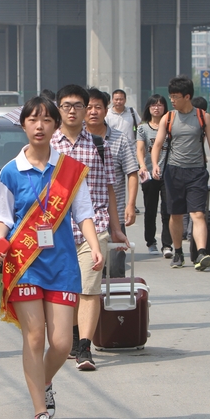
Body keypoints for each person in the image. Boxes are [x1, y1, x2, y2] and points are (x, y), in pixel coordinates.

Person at [0, 96, 102, 419]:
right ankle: (40, 413)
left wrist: (95, 246)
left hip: (62, 263)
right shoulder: (10, 171)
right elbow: (2, 217)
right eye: (33, 120)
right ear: (23, 125)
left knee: (63, 343)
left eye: (46, 120)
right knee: (35, 337)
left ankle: (44, 380)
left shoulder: (70, 170)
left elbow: (84, 213)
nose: (40, 126)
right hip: (24, 265)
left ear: (55, 126)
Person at [51, 84, 127, 371]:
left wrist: (116, 228)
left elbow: (109, 189)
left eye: (78, 106)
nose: (72, 111)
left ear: (86, 109)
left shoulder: (99, 145)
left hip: (95, 227)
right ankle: (72, 337)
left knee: (90, 288)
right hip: (57, 230)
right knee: (66, 289)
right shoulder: (49, 144)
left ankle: (85, 347)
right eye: (66, 105)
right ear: (59, 109)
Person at [150, 75, 210, 271]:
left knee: (198, 213)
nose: (172, 100)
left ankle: (201, 252)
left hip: (197, 172)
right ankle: (178, 252)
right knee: (176, 215)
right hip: (173, 172)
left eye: (176, 96)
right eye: (171, 96)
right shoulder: (168, 118)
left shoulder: (203, 117)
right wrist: (155, 164)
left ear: (187, 96)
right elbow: (158, 144)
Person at [85, 88, 138, 277]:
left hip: (113, 215)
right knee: (89, 269)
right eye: (89, 107)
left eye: (98, 107)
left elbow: (132, 173)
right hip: (83, 218)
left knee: (115, 269)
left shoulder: (119, 138)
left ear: (106, 110)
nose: (93, 112)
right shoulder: (75, 141)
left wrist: (130, 205)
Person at [136, 95, 172, 257]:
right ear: (148, 108)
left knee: (167, 210)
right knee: (150, 210)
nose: (156, 108)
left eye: (160, 105)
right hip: (149, 174)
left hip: (168, 173)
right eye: (153, 105)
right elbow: (140, 149)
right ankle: (151, 242)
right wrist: (142, 166)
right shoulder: (143, 128)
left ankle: (167, 245)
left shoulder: (170, 126)